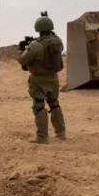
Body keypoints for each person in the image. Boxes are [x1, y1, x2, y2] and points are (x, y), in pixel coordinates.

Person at [17, 13, 66, 143]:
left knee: (39, 106)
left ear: (38, 28)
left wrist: (19, 51)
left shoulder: (35, 45)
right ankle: (61, 133)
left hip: (38, 79)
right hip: (53, 78)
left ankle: (42, 136)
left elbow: (22, 60)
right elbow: (56, 44)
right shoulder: (58, 42)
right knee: (54, 104)